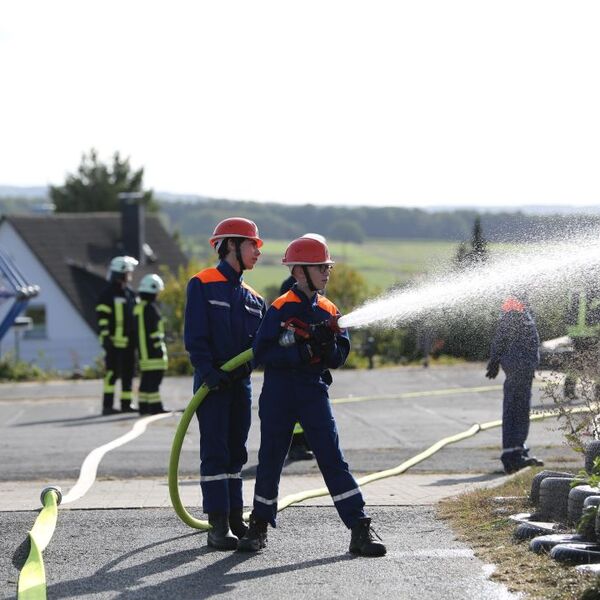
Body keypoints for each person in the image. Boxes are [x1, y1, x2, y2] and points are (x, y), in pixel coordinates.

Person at [238, 235, 386, 556]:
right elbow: (261, 353)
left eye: (328, 266)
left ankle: (359, 528)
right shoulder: (280, 308)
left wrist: (326, 345)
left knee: (333, 459)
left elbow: (339, 356)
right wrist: (301, 352)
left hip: (313, 392)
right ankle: (259, 527)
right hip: (278, 393)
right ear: (300, 271)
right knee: (271, 460)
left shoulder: (330, 309)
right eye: (321, 267)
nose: (327, 272)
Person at [184, 217, 266, 550]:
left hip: (239, 385)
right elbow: (195, 336)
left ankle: (235, 518)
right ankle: (217, 524)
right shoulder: (202, 283)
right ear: (231, 244)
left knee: (236, 454)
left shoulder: (254, 298)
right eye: (252, 245)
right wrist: (208, 370)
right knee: (215, 453)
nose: (258, 252)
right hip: (212, 384)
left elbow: (260, 346)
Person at [486, 294, 544, 474]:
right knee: (516, 410)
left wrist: (495, 359)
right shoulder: (514, 307)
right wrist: (494, 359)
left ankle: (517, 451)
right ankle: (513, 456)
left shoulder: (520, 307)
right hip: (518, 367)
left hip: (522, 368)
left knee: (519, 409)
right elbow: (502, 334)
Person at [96, 255, 139, 415]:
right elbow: (102, 318)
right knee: (111, 374)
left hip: (129, 342)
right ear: (121, 273)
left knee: (128, 373)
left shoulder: (129, 293)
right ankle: (107, 406)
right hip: (113, 342)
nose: (130, 275)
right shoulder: (107, 294)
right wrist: (106, 337)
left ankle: (126, 404)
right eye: (128, 272)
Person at [134, 273, 169, 415]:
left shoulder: (138, 308)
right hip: (154, 353)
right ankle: (155, 407)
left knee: (146, 381)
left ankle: (143, 406)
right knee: (154, 381)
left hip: (143, 353)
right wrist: (159, 347)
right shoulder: (151, 309)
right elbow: (154, 332)